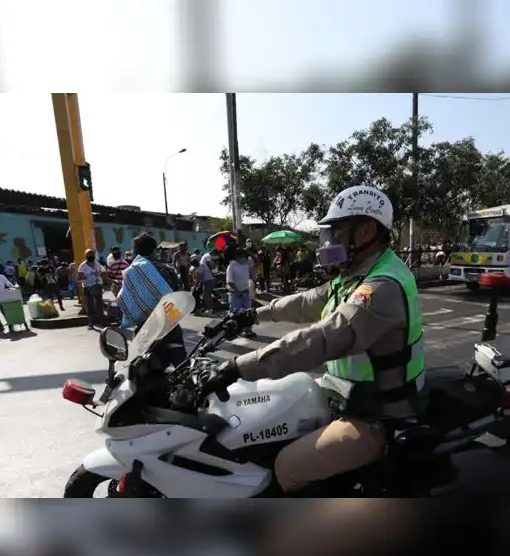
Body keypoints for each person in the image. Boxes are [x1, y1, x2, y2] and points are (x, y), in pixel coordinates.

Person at [198, 185, 426, 495]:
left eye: (338, 231)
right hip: (344, 395)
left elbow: (324, 338)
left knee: (286, 466)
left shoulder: (382, 284)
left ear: (367, 231)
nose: (329, 242)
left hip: (376, 416)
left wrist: (238, 366)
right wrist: (254, 315)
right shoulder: (356, 273)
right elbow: (309, 300)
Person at [116, 233, 187, 366]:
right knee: (182, 367)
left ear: (135, 252)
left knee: (140, 367)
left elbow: (124, 298)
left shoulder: (130, 272)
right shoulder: (167, 270)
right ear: (155, 251)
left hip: (144, 327)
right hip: (169, 326)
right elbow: (178, 295)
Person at [226, 246, 256, 337]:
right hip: (236, 294)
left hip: (246, 292)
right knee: (234, 313)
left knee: (249, 312)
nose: (244, 258)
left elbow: (256, 261)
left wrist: (249, 253)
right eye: (242, 256)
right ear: (237, 257)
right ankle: (233, 331)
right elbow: (230, 282)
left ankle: (248, 330)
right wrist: (238, 291)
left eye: (245, 256)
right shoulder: (231, 266)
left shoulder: (246, 265)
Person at [76, 248, 106, 330]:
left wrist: (101, 275)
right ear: (86, 256)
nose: (91, 256)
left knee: (100, 304)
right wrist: (88, 277)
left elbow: (103, 272)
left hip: (97, 285)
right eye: (89, 255)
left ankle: (102, 321)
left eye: (92, 255)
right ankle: (90, 323)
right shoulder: (82, 266)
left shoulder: (97, 263)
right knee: (89, 306)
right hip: (87, 287)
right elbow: (79, 277)